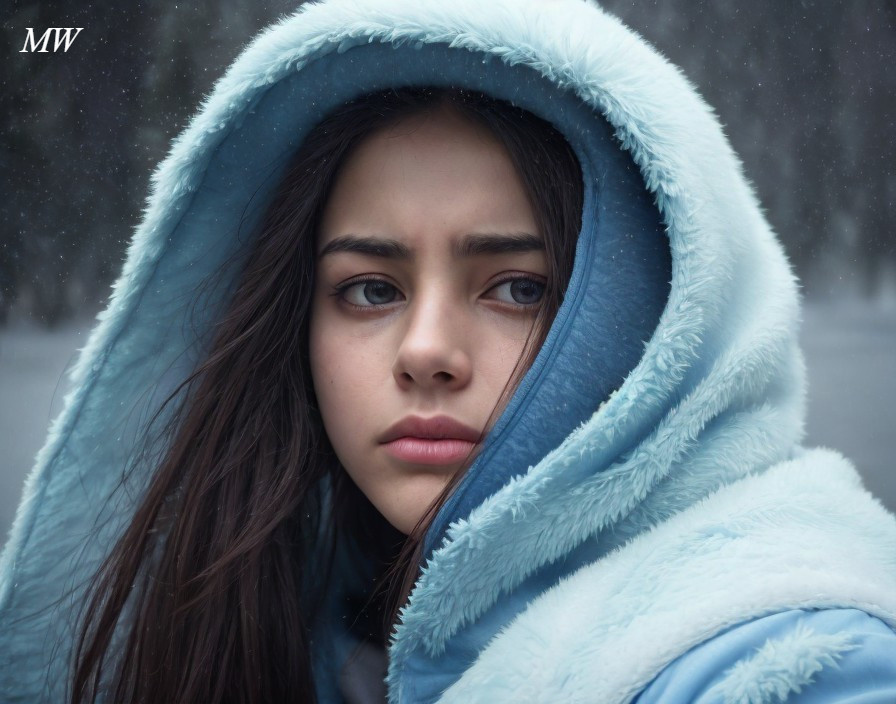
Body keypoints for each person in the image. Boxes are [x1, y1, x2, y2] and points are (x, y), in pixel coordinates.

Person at [1, 0, 895, 702]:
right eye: (371, 290)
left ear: (657, 324)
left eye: (519, 289)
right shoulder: (280, 619)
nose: (427, 353)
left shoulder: (783, 649)